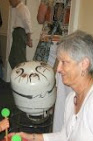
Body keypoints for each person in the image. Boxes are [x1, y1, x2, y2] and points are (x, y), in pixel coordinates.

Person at [36, 0, 72, 132]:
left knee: (43, 77)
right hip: (65, 43)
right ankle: (54, 115)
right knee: (58, 81)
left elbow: (40, 18)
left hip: (48, 42)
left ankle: (43, 110)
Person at [8, 0, 32, 69]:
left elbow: (28, 24)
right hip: (17, 34)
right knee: (12, 59)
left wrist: (29, 39)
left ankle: (22, 77)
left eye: (10, 1)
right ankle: (18, 75)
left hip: (20, 34)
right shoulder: (18, 9)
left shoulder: (23, 8)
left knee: (20, 60)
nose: (10, 3)